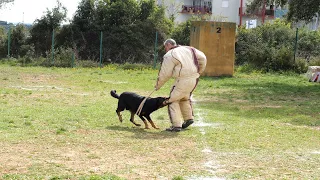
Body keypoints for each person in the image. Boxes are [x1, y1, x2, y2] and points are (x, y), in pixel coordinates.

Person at [154, 39, 207, 132]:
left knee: (172, 100)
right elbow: (203, 58)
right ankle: (188, 118)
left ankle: (176, 125)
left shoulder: (170, 55)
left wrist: (158, 85)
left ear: (169, 45)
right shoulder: (189, 49)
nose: (165, 49)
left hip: (182, 80)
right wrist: (199, 72)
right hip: (194, 79)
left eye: (165, 46)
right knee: (184, 98)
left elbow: (165, 73)